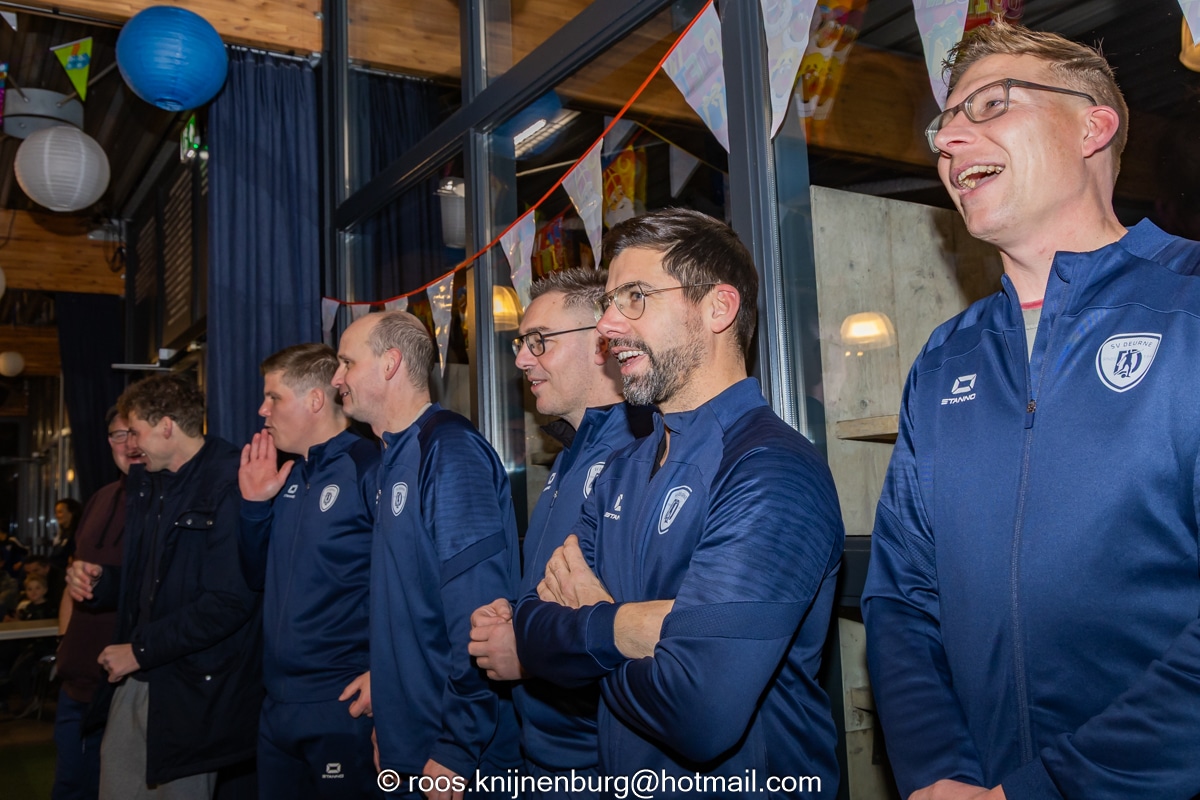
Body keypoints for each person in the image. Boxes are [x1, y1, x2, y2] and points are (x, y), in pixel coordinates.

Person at [860, 21, 1200, 800]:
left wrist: (1047, 788)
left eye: (991, 105)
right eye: (946, 123)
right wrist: (938, 772)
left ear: (1092, 126)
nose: (950, 140)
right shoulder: (945, 359)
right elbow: (901, 597)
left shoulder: (1190, 307)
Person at [514, 209, 844, 797]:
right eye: (610, 302)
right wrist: (634, 627)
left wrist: (592, 617)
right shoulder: (620, 467)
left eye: (635, 298)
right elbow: (532, 632)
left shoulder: (772, 470)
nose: (608, 325)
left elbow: (699, 712)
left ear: (718, 308)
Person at [468, 269, 649, 795]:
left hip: (602, 767)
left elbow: (644, 630)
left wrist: (527, 652)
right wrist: (516, 613)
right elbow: (561, 589)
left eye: (539, 341)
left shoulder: (639, 454)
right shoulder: (572, 452)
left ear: (601, 344)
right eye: (523, 343)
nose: (522, 359)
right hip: (543, 758)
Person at [332, 310, 521, 799]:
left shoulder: (448, 449)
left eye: (347, 363)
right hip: (411, 739)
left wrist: (457, 746)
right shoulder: (390, 458)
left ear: (390, 363)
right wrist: (392, 716)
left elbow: (479, 612)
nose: (336, 379)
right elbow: (406, 608)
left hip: (457, 754)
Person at [66, 374, 262, 800]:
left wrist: (139, 651)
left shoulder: (231, 481)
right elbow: (151, 582)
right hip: (141, 672)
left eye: (136, 431)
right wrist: (103, 582)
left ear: (167, 426)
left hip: (193, 688)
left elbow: (230, 602)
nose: (131, 445)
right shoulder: (151, 483)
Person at [237, 343, 381, 797]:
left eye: (274, 397)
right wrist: (254, 506)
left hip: (343, 703)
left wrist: (387, 672)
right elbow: (257, 578)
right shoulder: (289, 477)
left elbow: (409, 582)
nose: (263, 410)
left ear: (316, 399)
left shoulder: (368, 467)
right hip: (278, 703)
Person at [53, 408, 143, 800]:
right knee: (70, 787)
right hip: (75, 686)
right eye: (119, 434)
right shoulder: (100, 499)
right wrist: (63, 643)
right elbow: (73, 580)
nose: (129, 444)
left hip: (127, 689)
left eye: (136, 432)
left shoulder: (168, 503)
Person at [50, 497, 84, 574]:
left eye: (60, 512)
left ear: (71, 513)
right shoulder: (63, 534)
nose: (56, 516)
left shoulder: (78, 533)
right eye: (56, 512)